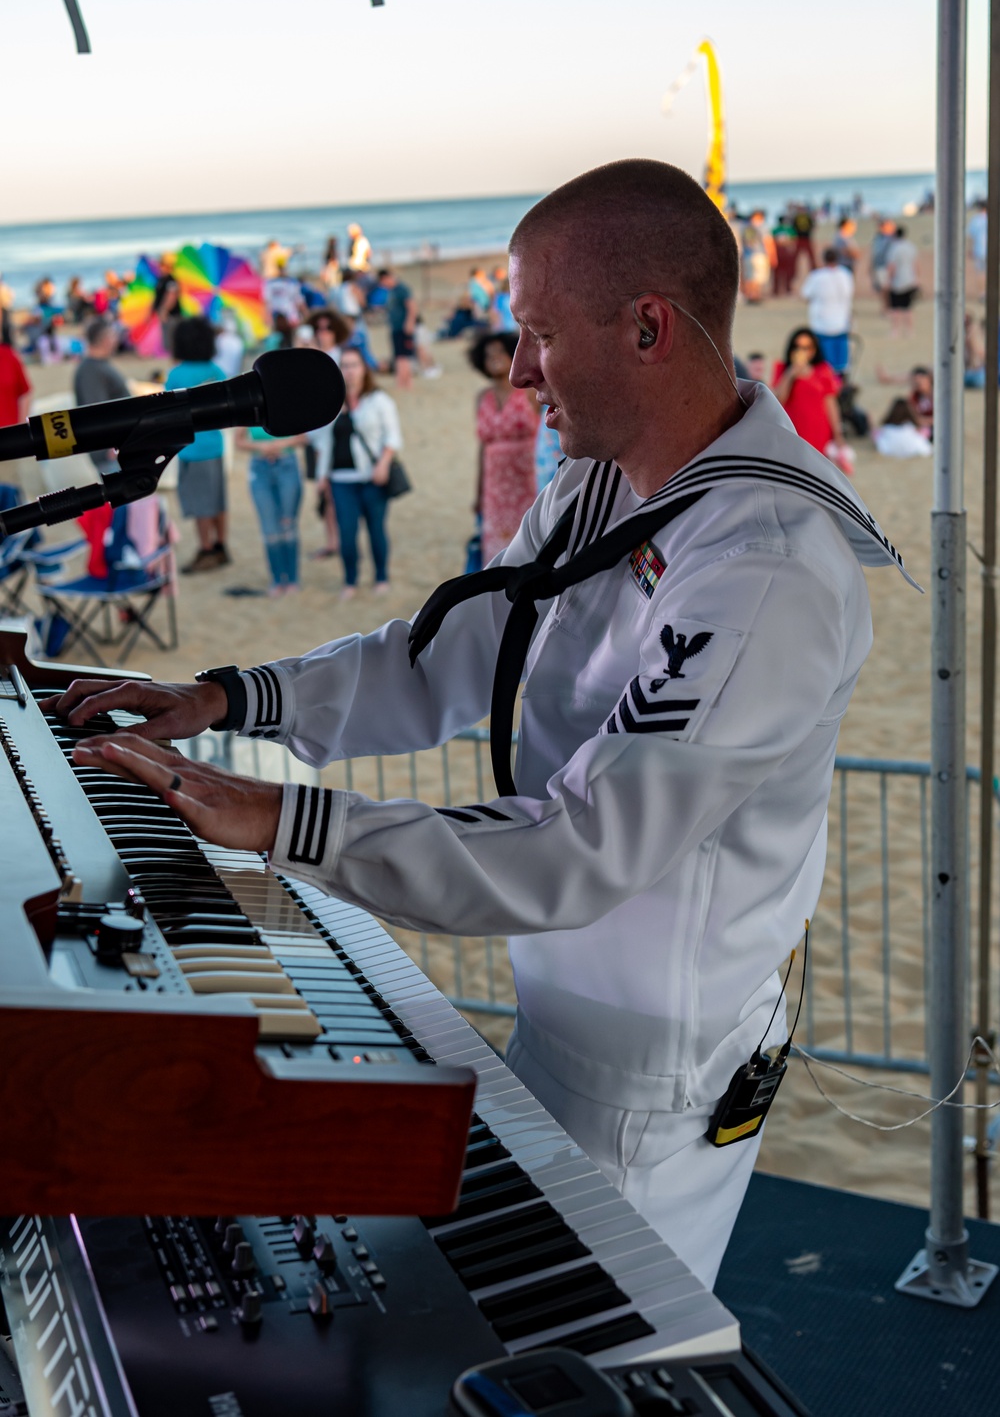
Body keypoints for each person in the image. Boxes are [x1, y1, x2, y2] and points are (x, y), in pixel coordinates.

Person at [50, 159, 913, 1291]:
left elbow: (579, 846)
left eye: (537, 333)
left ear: (647, 328)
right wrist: (234, 698)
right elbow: (461, 647)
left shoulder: (762, 570)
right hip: (561, 998)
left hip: (651, 1066)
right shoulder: (605, 482)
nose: (515, 370)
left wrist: (286, 822)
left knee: (582, 1340)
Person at [328, 346, 402, 599]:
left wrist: (383, 463)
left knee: (376, 529)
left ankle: (381, 576)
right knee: (346, 533)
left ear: (364, 369)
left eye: (354, 365)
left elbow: (392, 436)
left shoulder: (379, 400)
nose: (349, 371)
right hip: (341, 478)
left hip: (372, 476)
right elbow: (321, 442)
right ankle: (350, 580)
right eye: (344, 366)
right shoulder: (330, 404)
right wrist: (320, 476)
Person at [469, 329, 541, 562]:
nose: (494, 358)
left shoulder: (529, 392)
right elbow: (482, 448)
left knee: (531, 542)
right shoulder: (482, 397)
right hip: (495, 486)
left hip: (529, 480)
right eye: (489, 355)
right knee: (497, 548)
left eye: (500, 352)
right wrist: (479, 493)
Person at [167, 317, 230, 573]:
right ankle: (221, 545)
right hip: (215, 446)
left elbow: (169, 412)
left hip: (191, 449)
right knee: (218, 500)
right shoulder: (216, 371)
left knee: (200, 504)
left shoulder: (177, 375)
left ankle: (206, 549)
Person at [235, 423, 306, 597]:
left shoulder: (287, 405)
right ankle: (277, 579)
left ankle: (292, 579)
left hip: (287, 465)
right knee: (270, 530)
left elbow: (303, 437)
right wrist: (261, 447)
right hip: (260, 468)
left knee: (288, 526)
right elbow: (238, 441)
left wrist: (279, 445)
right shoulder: (251, 410)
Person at [305, 309, 351, 559]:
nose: (323, 334)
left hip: (336, 434)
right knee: (324, 492)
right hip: (315, 434)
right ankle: (332, 540)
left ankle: (338, 541)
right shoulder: (311, 358)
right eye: (318, 329)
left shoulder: (341, 358)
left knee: (334, 490)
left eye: (327, 329)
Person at [772, 327, 844, 453]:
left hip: (818, 431)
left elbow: (831, 404)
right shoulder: (782, 368)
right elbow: (778, 400)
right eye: (797, 347)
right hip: (792, 430)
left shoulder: (823, 370)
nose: (802, 352)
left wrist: (838, 434)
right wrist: (790, 374)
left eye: (807, 348)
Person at [74, 317, 131, 476]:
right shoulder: (91, 370)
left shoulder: (97, 366)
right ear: (105, 339)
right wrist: (110, 447)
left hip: (116, 449)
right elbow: (95, 411)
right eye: (113, 335)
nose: (116, 339)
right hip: (110, 454)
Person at [799, 248, 854, 374]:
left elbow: (805, 295)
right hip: (841, 323)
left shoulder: (817, 276)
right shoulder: (845, 275)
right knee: (841, 365)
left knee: (825, 364)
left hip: (821, 324)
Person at [0, 322, 32, 497]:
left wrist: (21, 427)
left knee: (11, 494)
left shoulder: (8, 355)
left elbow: (25, 391)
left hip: (8, 441)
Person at [378, 268, 417, 392]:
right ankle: (401, 381)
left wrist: (409, 323)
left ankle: (407, 382)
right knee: (398, 355)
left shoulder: (402, 289)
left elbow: (412, 307)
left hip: (403, 327)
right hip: (395, 327)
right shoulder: (391, 291)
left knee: (404, 355)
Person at [884, 224, 920, 337]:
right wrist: (916, 278)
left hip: (897, 281)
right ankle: (910, 331)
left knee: (895, 309)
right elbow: (916, 264)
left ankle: (895, 331)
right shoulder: (911, 247)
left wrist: (889, 280)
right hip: (910, 279)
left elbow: (891, 266)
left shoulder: (894, 248)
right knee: (908, 308)